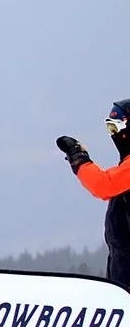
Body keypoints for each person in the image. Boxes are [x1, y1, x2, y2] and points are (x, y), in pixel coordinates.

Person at [57, 98, 130, 285]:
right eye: (109, 128)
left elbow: (103, 185)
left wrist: (78, 158)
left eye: (115, 127)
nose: (113, 135)